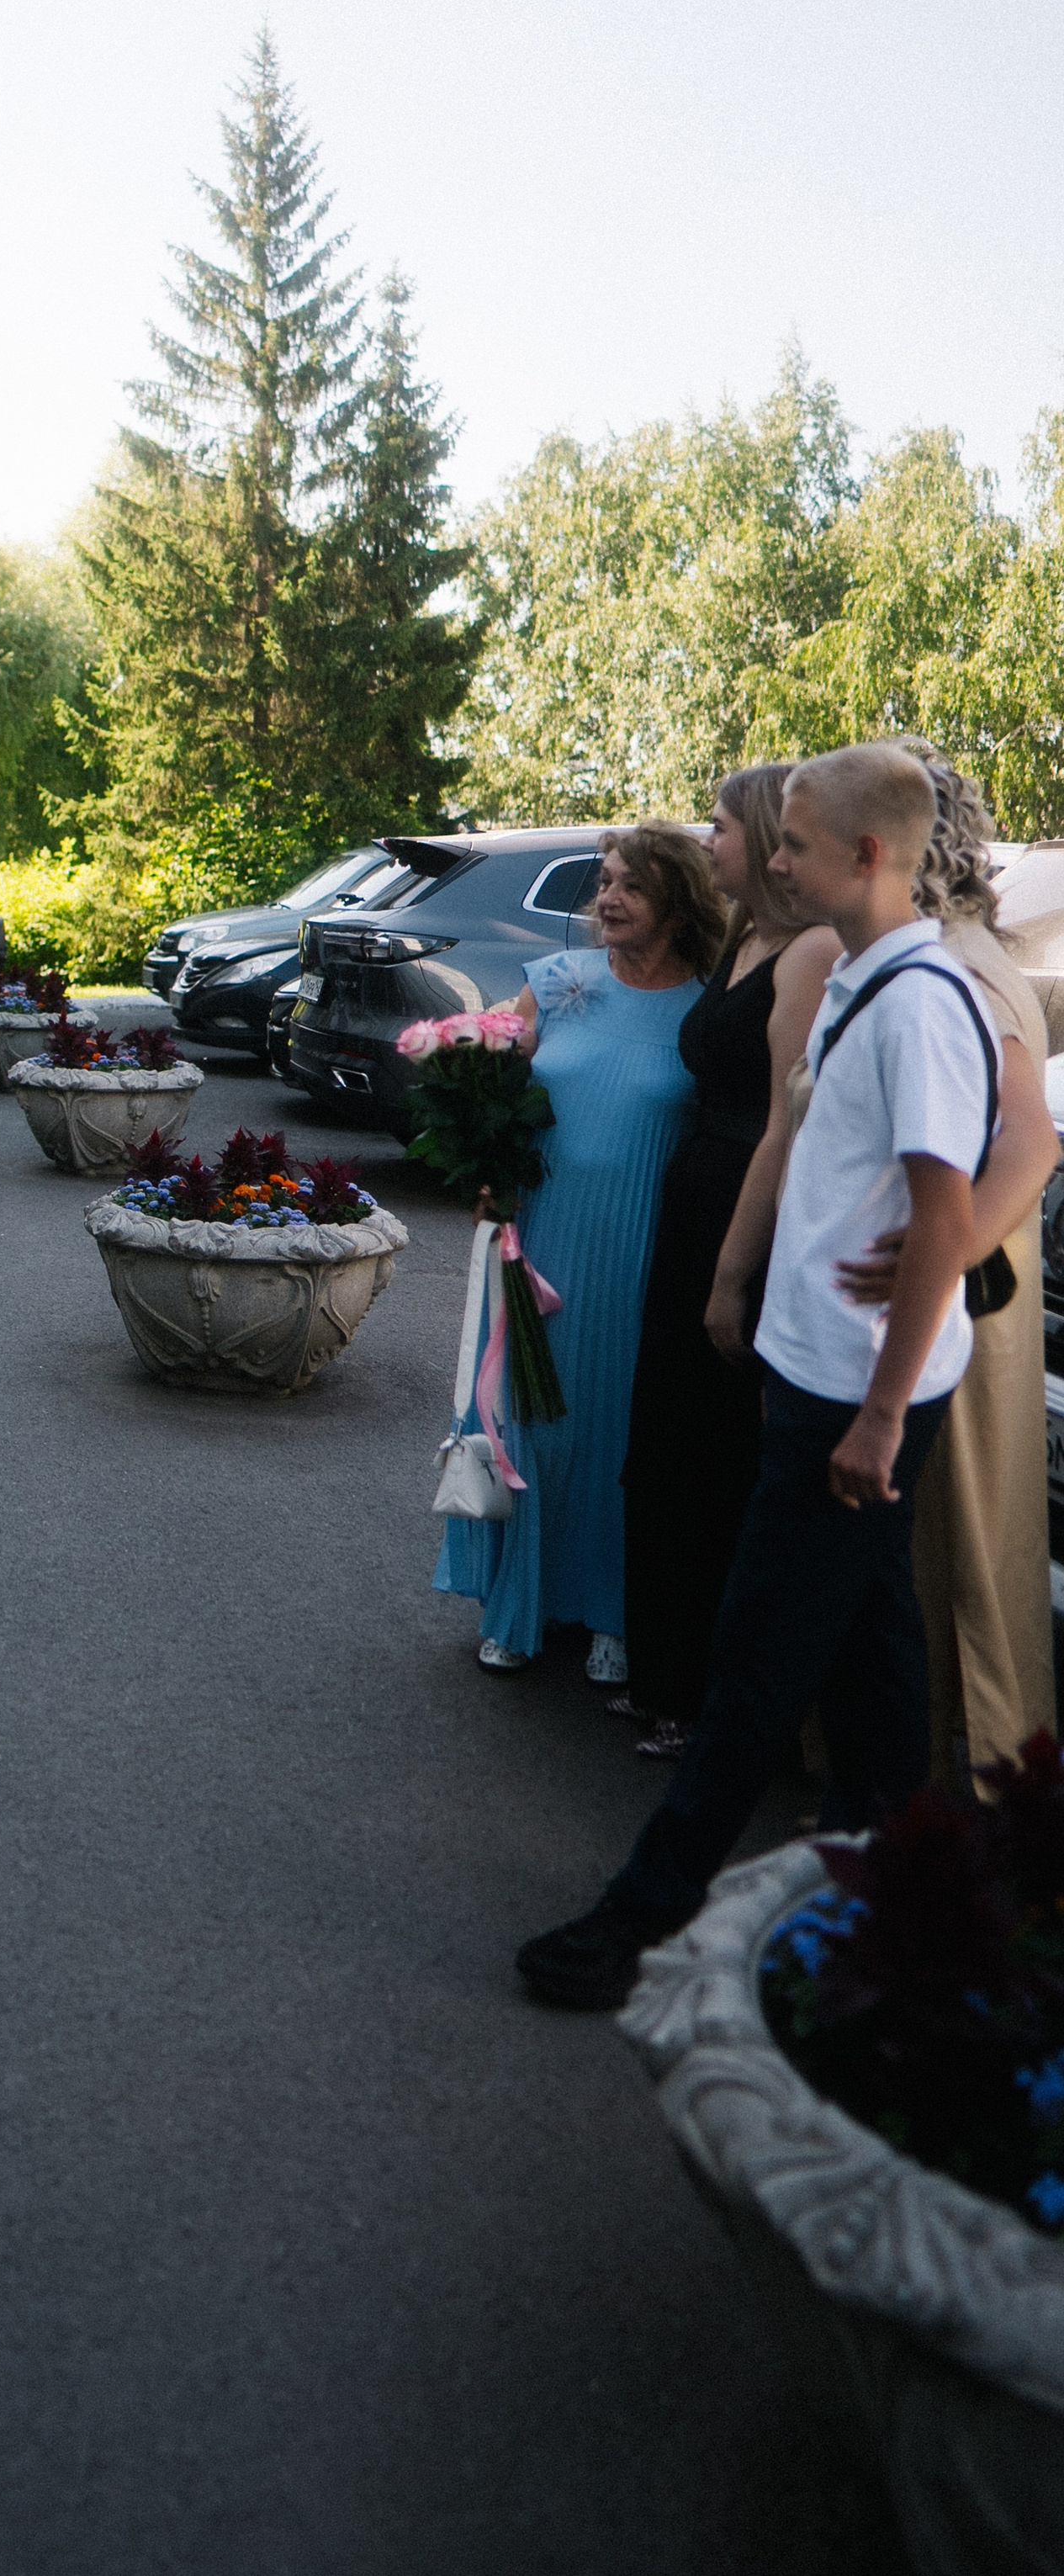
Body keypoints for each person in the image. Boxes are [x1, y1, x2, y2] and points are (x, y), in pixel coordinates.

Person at [517, 743, 1006, 2012]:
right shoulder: (855, 978)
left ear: (865, 854)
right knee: (874, 1664)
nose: (770, 859)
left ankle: (637, 1920)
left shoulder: (919, 1003)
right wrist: (738, 1285)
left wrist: (882, 1416)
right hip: (812, 1373)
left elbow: (951, 1212)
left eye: (792, 841)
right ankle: (904, 1908)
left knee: (752, 1663)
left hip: (856, 1396)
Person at [436, 823, 723, 1678]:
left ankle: (611, 1610)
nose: (609, 898)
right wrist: (484, 1166)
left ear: (676, 903)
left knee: (619, 1421)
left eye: (631, 885)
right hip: (543, 1230)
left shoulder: (705, 1009)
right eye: (605, 882)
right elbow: (491, 1083)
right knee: (534, 1419)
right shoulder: (557, 981)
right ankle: (517, 1605)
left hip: (642, 1242)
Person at [844, 743, 1058, 1784]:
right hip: (945, 1287)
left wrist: (941, 1256)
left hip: (958, 1297)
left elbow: (1030, 1142)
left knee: (959, 1532)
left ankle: (975, 1787)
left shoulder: (960, 967)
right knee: (932, 1537)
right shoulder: (939, 952)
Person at [617, 767, 839, 1757]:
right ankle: (662, 1672)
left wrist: (731, 1275)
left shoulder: (810, 952)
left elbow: (787, 1126)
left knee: (716, 1456)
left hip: (743, 1211)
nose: (707, 843)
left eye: (718, 827)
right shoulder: (742, 939)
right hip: (693, 1196)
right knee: (667, 1443)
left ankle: (709, 1698)